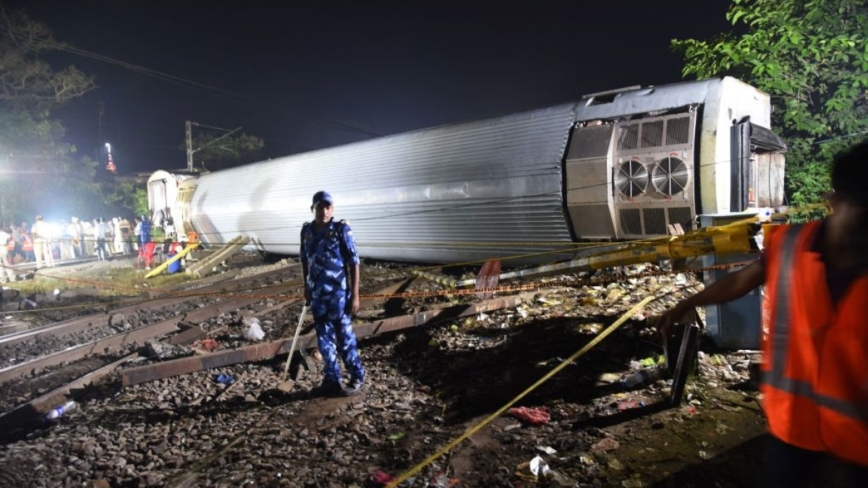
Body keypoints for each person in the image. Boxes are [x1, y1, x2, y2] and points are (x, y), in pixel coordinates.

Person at [659, 141, 868, 487]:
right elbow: (740, 281)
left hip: (858, 448)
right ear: (835, 201)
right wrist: (687, 303)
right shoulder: (790, 245)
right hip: (791, 433)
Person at [299, 191, 365, 396]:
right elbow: (304, 259)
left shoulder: (341, 230)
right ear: (314, 209)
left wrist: (355, 295)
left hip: (339, 296)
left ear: (332, 210)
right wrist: (306, 287)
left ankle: (356, 377)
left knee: (345, 338)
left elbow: (354, 262)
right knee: (324, 339)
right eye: (320, 207)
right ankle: (332, 378)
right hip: (318, 297)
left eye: (328, 207)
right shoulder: (307, 231)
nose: (324, 211)